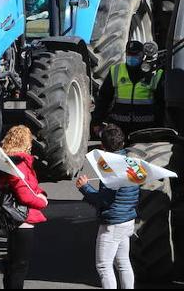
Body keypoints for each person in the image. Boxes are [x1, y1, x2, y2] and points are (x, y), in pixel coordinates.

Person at [75, 123, 138, 289]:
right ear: (123, 142)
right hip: (128, 220)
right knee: (123, 263)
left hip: (113, 223)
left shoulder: (110, 169)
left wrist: (85, 187)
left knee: (104, 266)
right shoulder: (132, 163)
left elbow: (103, 200)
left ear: (102, 146)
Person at [0, 125, 48, 290]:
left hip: (15, 219)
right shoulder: (19, 164)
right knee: (20, 267)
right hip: (23, 220)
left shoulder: (10, 161)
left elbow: (29, 187)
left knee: (12, 264)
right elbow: (25, 194)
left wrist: (40, 192)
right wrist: (42, 202)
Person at [91, 40, 164, 137]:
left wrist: (160, 125)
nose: (131, 57)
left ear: (143, 55)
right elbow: (104, 98)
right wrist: (97, 121)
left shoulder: (154, 74)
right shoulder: (116, 71)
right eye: (129, 54)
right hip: (119, 127)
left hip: (145, 128)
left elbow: (161, 103)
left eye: (135, 55)